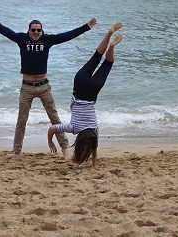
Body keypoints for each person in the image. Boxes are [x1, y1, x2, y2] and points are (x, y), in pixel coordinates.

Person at [0, 7, 96, 159]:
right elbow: (5, 31)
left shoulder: (47, 41)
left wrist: (86, 27)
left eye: (38, 30)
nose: (36, 33)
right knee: (21, 120)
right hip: (26, 87)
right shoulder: (21, 39)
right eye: (33, 30)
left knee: (54, 118)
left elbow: (67, 36)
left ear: (42, 31)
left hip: (44, 86)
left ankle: (65, 148)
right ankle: (17, 152)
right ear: (28, 30)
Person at [47, 22, 123, 167]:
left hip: (93, 90)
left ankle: (111, 43)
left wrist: (94, 164)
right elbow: (52, 128)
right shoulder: (74, 128)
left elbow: (94, 148)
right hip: (79, 84)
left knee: (105, 62)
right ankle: (110, 39)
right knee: (97, 56)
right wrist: (50, 141)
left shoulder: (94, 130)